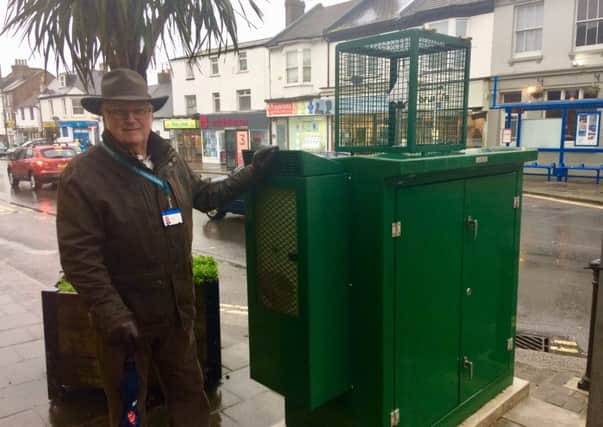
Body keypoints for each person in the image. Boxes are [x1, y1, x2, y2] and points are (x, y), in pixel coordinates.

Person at [56, 68, 277, 427]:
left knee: (190, 399)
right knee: (129, 412)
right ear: (104, 116)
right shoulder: (83, 175)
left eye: (139, 109)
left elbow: (206, 195)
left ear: (150, 112)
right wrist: (113, 315)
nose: (130, 118)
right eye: (118, 111)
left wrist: (251, 172)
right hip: (125, 324)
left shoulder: (169, 161)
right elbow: (79, 258)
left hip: (176, 315)